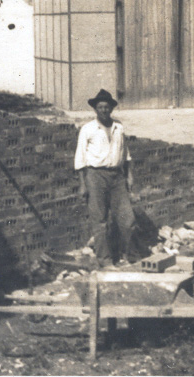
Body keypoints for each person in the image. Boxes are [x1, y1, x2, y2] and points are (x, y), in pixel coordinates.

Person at [74, 89, 136, 269]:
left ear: (111, 109)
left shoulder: (119, 127)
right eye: (100, 107)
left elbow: (126, 154)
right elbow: (80, 157)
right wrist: (82, 184)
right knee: (99, 221)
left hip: (117, 177)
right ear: (95, 109)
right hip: (95, 176)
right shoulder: (88, 129)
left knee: (128, 219)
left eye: (107, 107)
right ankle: (105, 260)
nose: (103, 110)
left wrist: (129, 176)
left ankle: (129, 256)